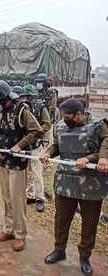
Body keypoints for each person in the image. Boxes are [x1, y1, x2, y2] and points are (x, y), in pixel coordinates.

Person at [40, 99, 108, 276]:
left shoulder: (98, 127)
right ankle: (59, 249)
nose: (64, 119)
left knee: (89, 222)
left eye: (68, 116)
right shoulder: (61, 127)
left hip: (91, 184)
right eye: (63, 116)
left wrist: (93, 158)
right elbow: (57, 145)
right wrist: (47, 153)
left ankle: (85, 256)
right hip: (66, 181)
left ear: (79, 114)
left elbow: (105, 145)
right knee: (61, 219)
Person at [0, 80, 43, 252]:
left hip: (17, 162)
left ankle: (20, 234)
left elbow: (36, 130)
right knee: (6, 198)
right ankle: (8, 229)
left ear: (3, 97)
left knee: (18, 201)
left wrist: (21, 144)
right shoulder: (1, 111)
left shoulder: (22, 110)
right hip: (3, 160)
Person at [20, 85, 51, 213]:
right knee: (28, 172)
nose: (24, 99)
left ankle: (40, 198)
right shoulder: (21, 109)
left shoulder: (40, 107)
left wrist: (36, 134)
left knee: (37, 172)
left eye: (27, 97)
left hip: (36, 143)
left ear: (33, 97)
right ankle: (31, 195)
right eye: (23, 97)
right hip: (25, 144)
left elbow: (47, 124)